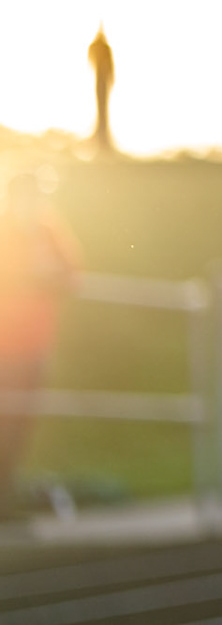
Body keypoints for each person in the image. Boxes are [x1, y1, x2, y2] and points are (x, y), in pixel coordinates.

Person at [0, 172, 82, 516]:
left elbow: (73, 274)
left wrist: (47, 277)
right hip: (4, 345)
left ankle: (6, 496)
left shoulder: (49, 230)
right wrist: (30, 275)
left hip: (35, 343)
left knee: (21, 423)